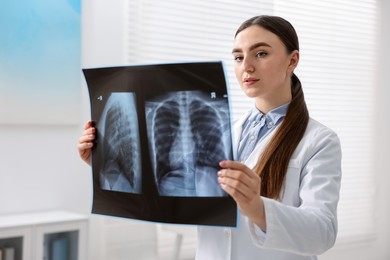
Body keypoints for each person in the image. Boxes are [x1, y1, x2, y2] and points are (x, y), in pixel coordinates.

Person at [78, 15, 342, 260]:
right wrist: (108, 163)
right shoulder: (223, 133)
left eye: (261, 53)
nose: (247, 66)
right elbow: (172, 201)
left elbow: (322, 233)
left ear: (292, 60)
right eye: (238, 57)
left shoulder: (319, 141)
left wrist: (257, 207)